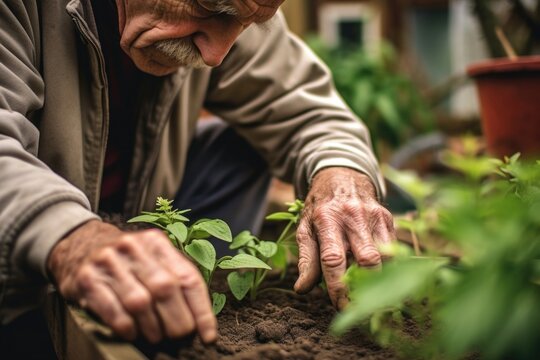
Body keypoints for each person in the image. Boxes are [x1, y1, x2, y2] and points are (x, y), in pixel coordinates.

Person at [0, 0, 395, 348]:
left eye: (244, 25)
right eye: (210, 11)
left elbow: (312, 113)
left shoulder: (234, 8)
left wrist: (341, 177)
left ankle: (177, 291)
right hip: (18, 259)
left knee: (242, 149)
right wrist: (70, 237)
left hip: (142, 203)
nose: (217, 56)